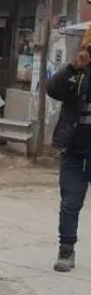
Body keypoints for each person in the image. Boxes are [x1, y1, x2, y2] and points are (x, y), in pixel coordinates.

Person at [47, 46, 91, 272]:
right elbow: (52, 89)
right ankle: (66, 250)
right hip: (75, 148)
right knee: (70, 201)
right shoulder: (79, 73)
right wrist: (73, 67)